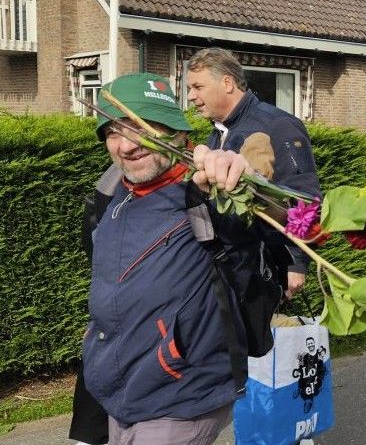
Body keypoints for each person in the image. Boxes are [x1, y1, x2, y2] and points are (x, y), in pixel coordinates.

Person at [81, 73, 258, 443]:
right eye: (113, 132)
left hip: (178, 396)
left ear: (178, 132)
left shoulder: (204, 191)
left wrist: (236, 171)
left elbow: (255, 226)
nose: (126, 145)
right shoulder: (111, 190)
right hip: (120, 392)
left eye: (141, 127)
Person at [186, 48, 321, 299]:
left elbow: (305, 196)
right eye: (190, 89)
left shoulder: (278, 125)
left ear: (227, 83)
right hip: (231, 262)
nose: (191, 96)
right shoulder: (217, 133)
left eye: (198, 87)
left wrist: (296, 263)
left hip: (264, 263)